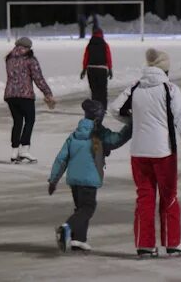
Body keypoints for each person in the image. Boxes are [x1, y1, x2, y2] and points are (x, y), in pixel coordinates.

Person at [110, 48, 181, 259]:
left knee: (144, 197)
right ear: (165, 69)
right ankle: (172, 243)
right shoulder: (170, 89)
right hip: (164, 152)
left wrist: (135, 121)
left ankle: (145, 245)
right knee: (169, 196)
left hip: (139, 153)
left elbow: (115, 109)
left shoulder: (135, 87)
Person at [48, 99, 132, 252]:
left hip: (74, 180)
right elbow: (117, 139)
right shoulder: (100, 134)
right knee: (88, 208)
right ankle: (66, 228)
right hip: (89, 179)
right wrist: (132, 126)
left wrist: (53, 180)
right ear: (98, 117)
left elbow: (61, 158)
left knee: (81, 208)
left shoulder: (74, 135)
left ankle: (78, 240)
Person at [4, 37, 57, 163]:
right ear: (28, 47)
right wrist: (47, 93)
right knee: (30, 120)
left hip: (10, 95)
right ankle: (25, 149)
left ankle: (14, 151)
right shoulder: (30, 59)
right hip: (25, 95)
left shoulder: (9, 58)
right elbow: (38, 78)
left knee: (17, 122)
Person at [80, 20, 113, 109]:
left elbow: (86, 57)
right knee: (102, 90)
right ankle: (103, 107)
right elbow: (108, 57)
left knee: (94, 90)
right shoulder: (104, 44)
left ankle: (95, 107)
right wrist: (110, 69)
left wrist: (84, 69)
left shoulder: (89, 45)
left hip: (91, 69)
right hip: (102, 69)